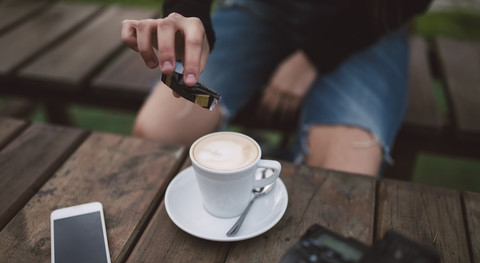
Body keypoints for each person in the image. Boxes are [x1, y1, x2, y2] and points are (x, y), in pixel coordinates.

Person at [121, 0, 431, 176]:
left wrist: (314, 58)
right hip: (261, 9)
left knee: (344, 180)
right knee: (156, 135)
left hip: (367, 20)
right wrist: (189, 14)